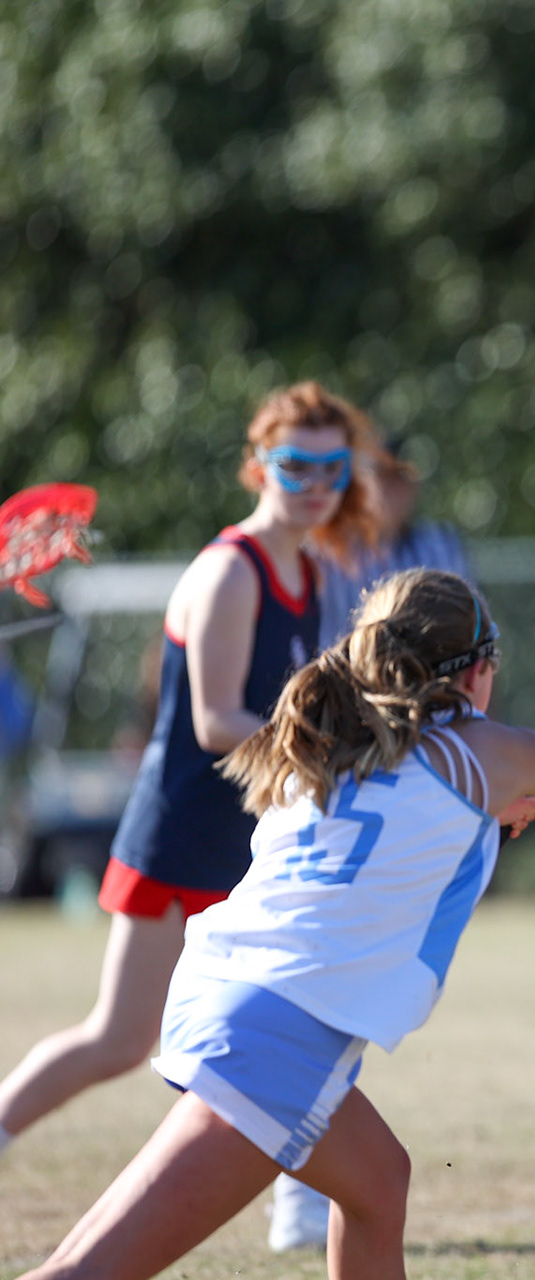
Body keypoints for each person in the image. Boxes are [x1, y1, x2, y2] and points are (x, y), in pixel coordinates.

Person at [18, 569, 535, 1280]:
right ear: (475, 670)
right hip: (277, 1028)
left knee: (378, 1183)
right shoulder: (492, 753)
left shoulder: (342, 738)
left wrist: (481, 816)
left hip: (225, 991)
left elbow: (400, 827)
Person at [0, 382, 380, 1163]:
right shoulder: (231, 572)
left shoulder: (306, 572)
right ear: (258, 466)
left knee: (282, 1025)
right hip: (179, 837)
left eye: (332, 469)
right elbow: (216, 724)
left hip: (247, 840)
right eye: (295, 465)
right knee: (118, 1038)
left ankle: (308, 1197)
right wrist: (334, 755)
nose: (314, 485)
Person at [276, 434, 470, 1249]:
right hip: (356, 753)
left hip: (419, 758)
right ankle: (295, 1193)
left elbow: (466, 642)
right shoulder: (333, 548)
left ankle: (307, 1186)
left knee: (352, 972)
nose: (394, 494)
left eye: (401, 481)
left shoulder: (435, 548)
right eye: (382, 480)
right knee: (327, 968)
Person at [317, 438, 470, 646]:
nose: (395, 490)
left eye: (404, 478)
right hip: (346, 673)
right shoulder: (327, 549)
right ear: (361, 483)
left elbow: (467, 623)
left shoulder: (440, 545)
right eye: (385, 478)